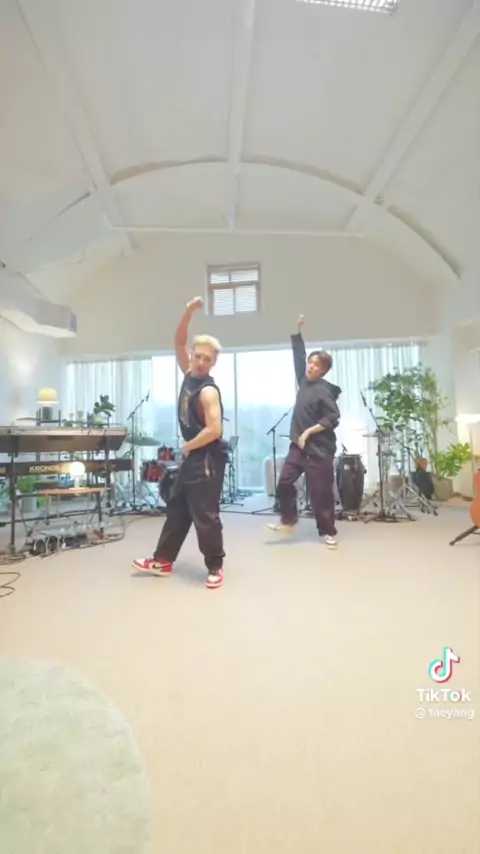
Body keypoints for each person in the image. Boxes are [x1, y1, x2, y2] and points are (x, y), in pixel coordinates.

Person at [133, 296, 228, 588]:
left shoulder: (208, 392)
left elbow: (214, 429)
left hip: (207, 459)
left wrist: (185, 448)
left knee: (205, 515)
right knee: (178, 508)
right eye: (197, 356)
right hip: (192, 456)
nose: (200, 362)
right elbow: (178, 341)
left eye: (207, 359)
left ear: (213, 362)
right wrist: (188, 312)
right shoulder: (188, 373)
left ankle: (215, 567)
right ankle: (163, 560)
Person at [269, 314, 341, 548]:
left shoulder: (324, 391)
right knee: (284, 483)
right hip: (298, 447)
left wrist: (308, 432)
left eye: (316, 365)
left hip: (320, 450)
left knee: (321, 494)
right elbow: (298, 356)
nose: (310, 366)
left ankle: (328, 531)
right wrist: (297, 330)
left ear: (323, 371)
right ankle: (289, 520)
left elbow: (332, 418)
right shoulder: (303, 380)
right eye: (311, 362)